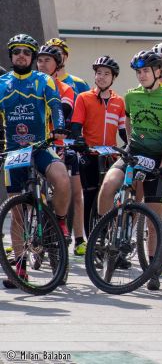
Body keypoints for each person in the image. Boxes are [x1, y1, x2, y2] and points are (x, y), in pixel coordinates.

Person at [97, 50, 162, 291]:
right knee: (109, 185)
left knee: (153, 219)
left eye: (146, 71)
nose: (141, 75)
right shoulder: (131, 96)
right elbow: (129, 123)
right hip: (134, 154)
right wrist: (132, 147)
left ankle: (153, 270)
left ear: (157, 72)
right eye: (138, 72)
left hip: (157, 159)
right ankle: (106, 232)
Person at [0, 34, 70, 289]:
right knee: (17, 211)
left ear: (31, 57)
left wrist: (60, 128)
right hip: (14, 151)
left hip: (40, 146)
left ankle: (60, 219)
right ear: (11, 56)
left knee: (62, 178)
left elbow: (56, 106)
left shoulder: (43, 80)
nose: (21, 55)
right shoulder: (2, 83)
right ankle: (19, 268)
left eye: (27, 52)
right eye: (17, 51)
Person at [36, 45, 88, 258]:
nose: (42, 64)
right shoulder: (30, 85)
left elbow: (61, 111)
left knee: (74, 191)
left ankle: (76, 237)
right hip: (35, 145)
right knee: (30, 191)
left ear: (57, 66)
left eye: (47, 60)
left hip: (60, 145)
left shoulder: (65, 88)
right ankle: (31, 232)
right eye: (40, 60)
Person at [71, 56, 126, 238]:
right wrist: (79, 141)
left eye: (106, 74)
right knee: (90, 196)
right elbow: (76, 126)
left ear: (113, 77)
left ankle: (110, 239)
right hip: (90, 154)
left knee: (111, 196)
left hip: (111, 157)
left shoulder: (119, 101)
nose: (101, 77)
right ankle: (92, 240)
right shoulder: (83, 98)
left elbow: (123, 130)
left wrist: (129, 146)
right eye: (99, 73)